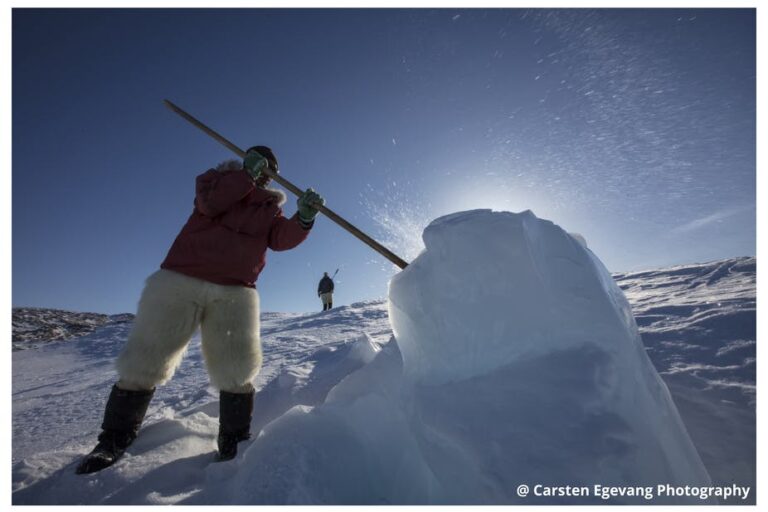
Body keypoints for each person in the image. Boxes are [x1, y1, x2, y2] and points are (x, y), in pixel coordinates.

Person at [76, 146, 325, 474]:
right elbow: (210, 205)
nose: (265, 171)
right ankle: (113, 438)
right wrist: (243, 176)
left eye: (270, 169)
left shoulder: (269, 208)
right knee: (146, 358)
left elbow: (280, 239)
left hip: (235, 291)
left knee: (237, 368)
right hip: (181, 279)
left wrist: (303, 218)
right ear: (245, 161)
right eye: (259, 164)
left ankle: (234, 440)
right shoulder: (216, 181)